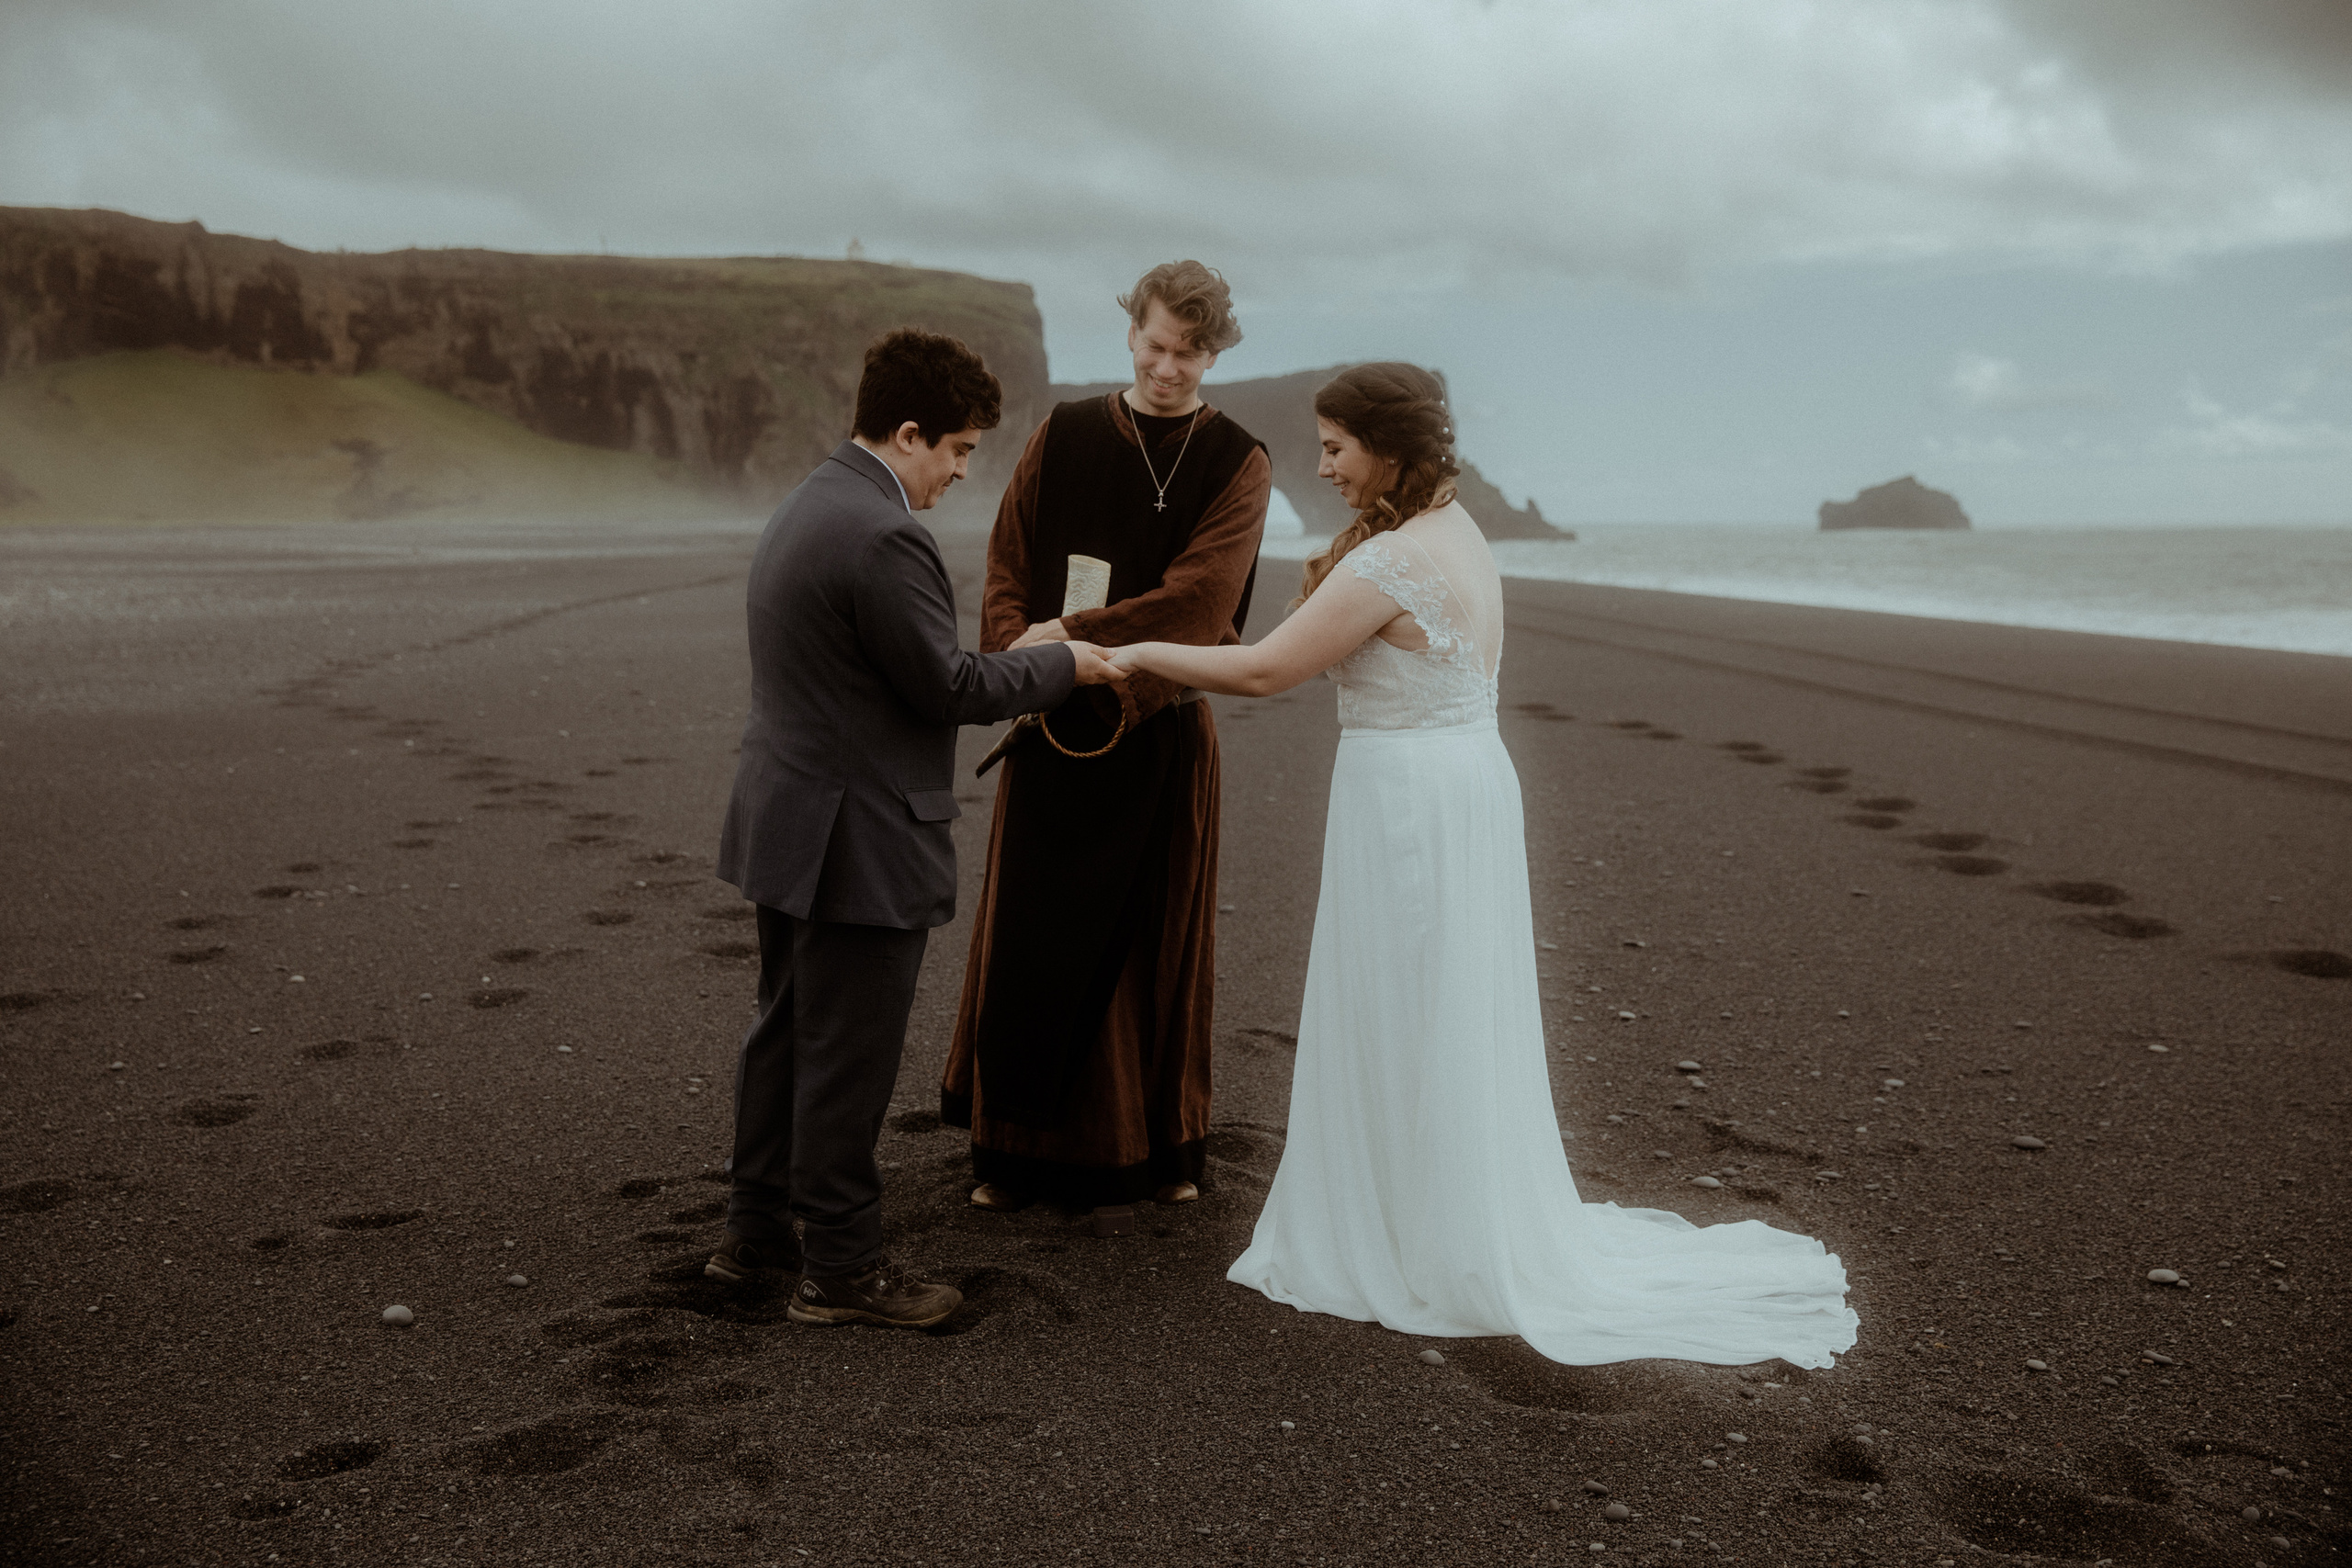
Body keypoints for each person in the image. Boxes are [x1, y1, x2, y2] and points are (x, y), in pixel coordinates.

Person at [1106, 363, 1858, 1367]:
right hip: (1460, 781)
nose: (1321, 465)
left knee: (1406, 1001)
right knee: (1445, 1005)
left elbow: (1265, 669)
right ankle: (1442, 1212)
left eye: (1335, 446)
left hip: (1408, 800)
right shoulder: (1455, 533)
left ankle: (1414, 1237)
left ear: (1388, 448)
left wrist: (1137, 650)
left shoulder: (1391, 562)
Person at [707, 327, 1127, 1329]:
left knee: (785, 1037)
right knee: (847, 1056)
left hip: (787, 818)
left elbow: (882, 670)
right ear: (908, 434)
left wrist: (1018, 650)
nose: (960, 471)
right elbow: (943, 686)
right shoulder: (885, 533)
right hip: (856, 838)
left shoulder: (811, 503)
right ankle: (843, 1272)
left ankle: (754, 1234)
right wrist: (1066, 664)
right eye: (959, 449)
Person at [940, 260, 1272, 1231]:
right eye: (1155, 344)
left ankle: (1152, 1150)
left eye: (1190, 352)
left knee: (1144, 949)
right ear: (1132, 331)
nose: (1168, 368)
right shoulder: (1068, 431)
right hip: (1049, 725)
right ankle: (1010, 1152)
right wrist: (1018, 656)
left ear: (1216, 351)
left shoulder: (1238, 459)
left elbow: (1203, 604)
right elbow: (1007, 559)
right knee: (1032, 943)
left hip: (1158, 730)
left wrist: (1073, 646)